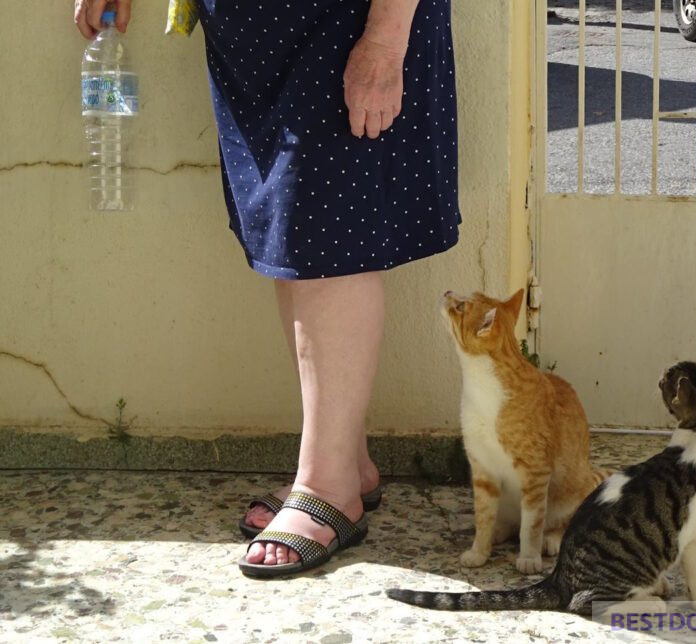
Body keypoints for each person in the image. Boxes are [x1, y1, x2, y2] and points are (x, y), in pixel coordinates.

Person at [75, 0, 461, 577]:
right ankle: (344, 462)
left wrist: (385, 39)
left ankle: (328, 487)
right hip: (258, 38)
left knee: (329, 229)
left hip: (345, 19)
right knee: (296, 235)